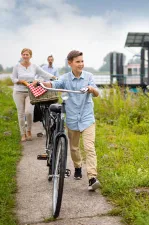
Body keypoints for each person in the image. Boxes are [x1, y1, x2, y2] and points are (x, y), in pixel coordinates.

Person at [33, 50, 101, 191]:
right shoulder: (65, 78)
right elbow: (55, 84)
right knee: (74, 148)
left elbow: (97, 92)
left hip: (87, 117)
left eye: (82, 61)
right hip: (71, 118)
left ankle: (92, 178)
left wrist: (90, 89)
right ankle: (77, 167)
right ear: (70, 63)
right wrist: (41, 83)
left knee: (89, 148)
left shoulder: (89, 76)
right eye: (78, 61)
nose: (81, 64)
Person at [11, 48, 57, 142]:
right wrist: (22, 82)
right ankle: (22, 134)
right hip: (18, 92)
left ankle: (29, 131)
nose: (25, 56)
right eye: (23, 54)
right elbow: (13, 79)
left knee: (29, 112)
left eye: (27, 54)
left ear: (30, 56)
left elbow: (44, 74)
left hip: (30, 92)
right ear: (21, 55)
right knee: (21, 113)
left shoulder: (34, 66)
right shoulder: (17, 66)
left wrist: (53, 77)